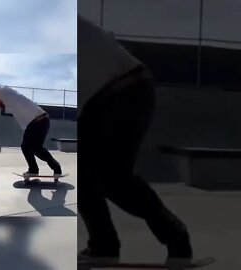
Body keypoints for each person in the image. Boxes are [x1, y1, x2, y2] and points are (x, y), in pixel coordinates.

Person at [77, 16, 192, 264]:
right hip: (101, 99)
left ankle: (176, 235)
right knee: (84, 176)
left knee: (113, 177)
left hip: (124, 89)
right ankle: (103, 246)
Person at [0, 86, 62, 177]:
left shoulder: (3, 91)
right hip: (35, 123)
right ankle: (37, 169)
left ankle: (50, 167)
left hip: (39, 121)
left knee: (32, 147)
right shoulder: (8, 102)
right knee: (30, 148)